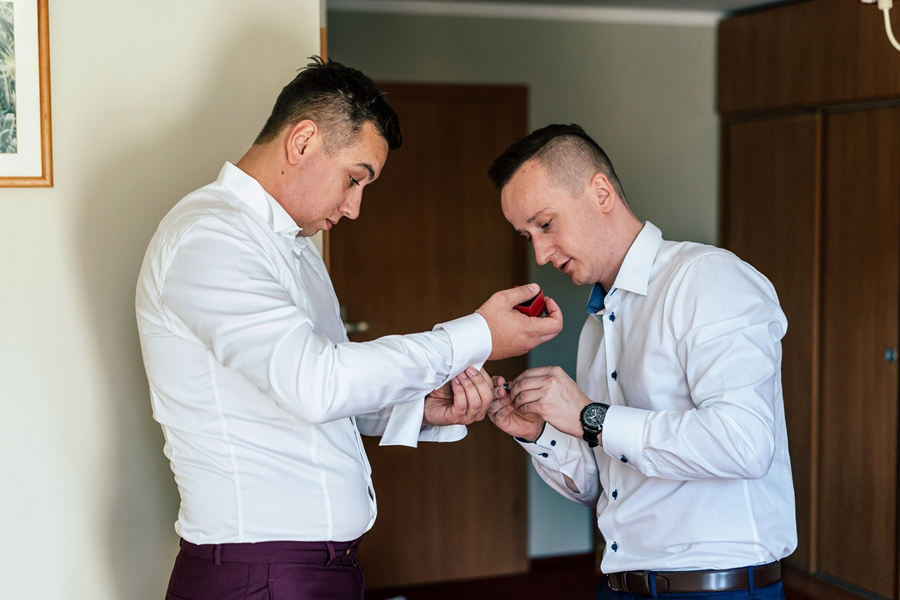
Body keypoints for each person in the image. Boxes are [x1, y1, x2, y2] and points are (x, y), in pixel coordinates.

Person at [135, 57, 562, 600]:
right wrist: (477, 334)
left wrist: (416, 407)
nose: (355, 207)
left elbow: (317, 396)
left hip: (315, 569)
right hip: (258, 573)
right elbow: (315, 383)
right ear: (303, 141)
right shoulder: (209, 239)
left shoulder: (297, 249)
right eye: (354, 178)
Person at [486, 124, 796, 600]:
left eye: (545, 224)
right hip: (620, 586)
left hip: (715, 591)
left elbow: (744, 443)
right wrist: (537, 432)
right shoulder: (595, 329)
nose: (541, 254)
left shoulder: (706, 279)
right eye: (528, 237)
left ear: (601, 193)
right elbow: (606, 485)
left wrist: (591, 417)